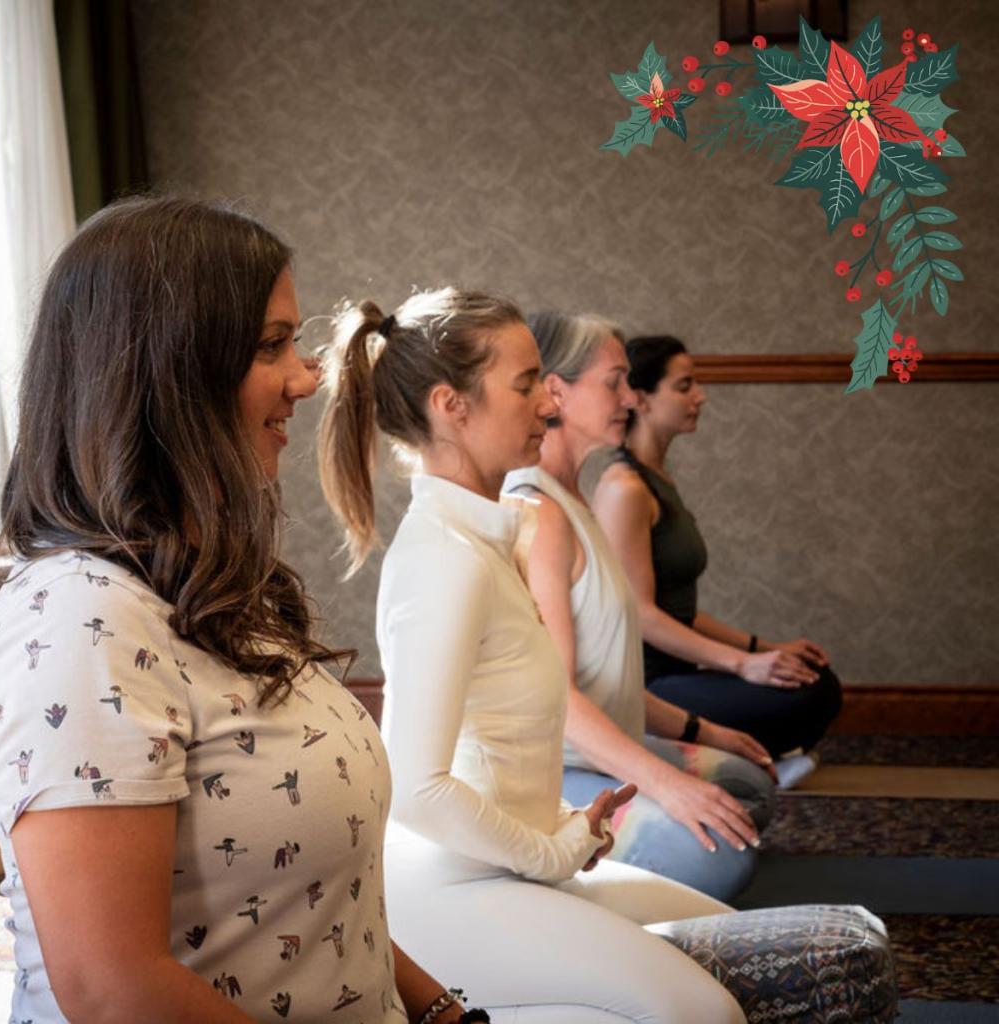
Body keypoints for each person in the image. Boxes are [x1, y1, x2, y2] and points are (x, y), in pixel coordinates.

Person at [0, 197, 482, 1024]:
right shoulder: (79, 622)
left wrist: (446, 1015)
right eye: (271, 346)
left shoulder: (215, 590)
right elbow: (113, 992)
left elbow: (318, 905)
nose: (306, 378)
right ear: (169, 374)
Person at [317, 292, 744, 1023]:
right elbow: (415, 788)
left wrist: (568, 826)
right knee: (708, 1015)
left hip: (514, 867)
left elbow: (499, 745)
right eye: (525, 385)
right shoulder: (444, 559)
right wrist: (552, 851)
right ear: (451, 406)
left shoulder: (490, 538)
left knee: (733, 944)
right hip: (457, 889)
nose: (549, 402)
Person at [503, 313, 776, 902]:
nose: (630, 398)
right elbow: (556, 697)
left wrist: (706, 731)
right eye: (615, 382)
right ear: (557, 391)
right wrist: (668, 785)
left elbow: (610, 675)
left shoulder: (577, 501)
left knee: (748, 784)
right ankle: (550, 884)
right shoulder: (538, 512)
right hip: (557, 774)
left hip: (608, 747)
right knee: (724, 854)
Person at [583, 335, 842, 763]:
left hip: (680, 673)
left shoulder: (656, 481)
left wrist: (763, 648)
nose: (700, 396)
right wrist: (742, 664)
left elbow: (679, 608)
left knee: (816, 680)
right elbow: (641, 615)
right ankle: (691, 750)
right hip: (646, 687)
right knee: (803, 697)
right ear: (641, 399)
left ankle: (737, 756)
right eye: (684, 386)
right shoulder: (624, 489)